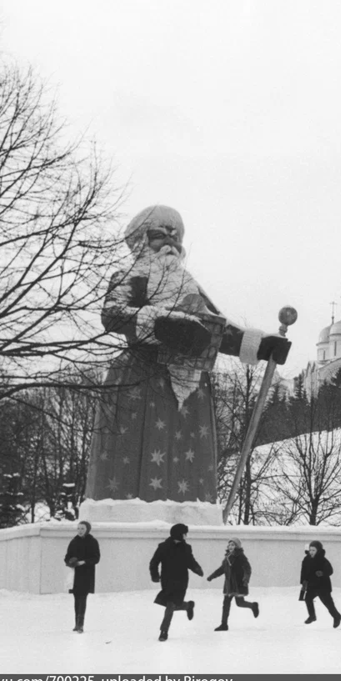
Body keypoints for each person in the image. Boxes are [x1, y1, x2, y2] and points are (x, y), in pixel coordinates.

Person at [84, 205, 290, 504]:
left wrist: (260, 345)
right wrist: (160, 323)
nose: (170, 242)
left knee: (187, 458)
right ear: (141, 239)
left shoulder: (186, 283)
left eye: (175, 235)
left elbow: (218, 328)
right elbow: (113, 314)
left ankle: (189, 513)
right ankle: (128, 508)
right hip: (141, 377)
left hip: (191, 385)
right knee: (134, 449)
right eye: (159, 234)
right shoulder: (131, 276)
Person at [149, 523, 203, 642]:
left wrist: (197, 569)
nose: (186, 536)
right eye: (184, 533)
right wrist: (154, 575)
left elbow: (190, 561)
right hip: (167, 580)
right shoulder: (163, 547)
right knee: (169, 603)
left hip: (181, 581)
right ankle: (188, 606)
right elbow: (154, 562)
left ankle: (164, 631)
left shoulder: (186, 548)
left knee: (170, 604)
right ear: (178, 534)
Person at [207, 538, 259, 631]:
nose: (230, 546)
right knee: (226, 604)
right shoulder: (227, 557)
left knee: (240, 603)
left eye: (233, 545)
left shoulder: (241, 556)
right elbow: (222, 569)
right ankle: (224, 625)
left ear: (237, 546)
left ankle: (253, 606)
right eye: (229, 545)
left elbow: (248, 569)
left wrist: (246, 579)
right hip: (229, 584)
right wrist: (212, 576)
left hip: (238, 584)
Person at [64, 521, 100, 633]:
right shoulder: (73, 542)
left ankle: (81, 624)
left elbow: (96, 558)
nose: (80, 530)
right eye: (78, 528)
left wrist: (84, 562)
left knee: (83, 597)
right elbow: (67, 557)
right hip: (75, 574)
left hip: (87, 573)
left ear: (87, 529)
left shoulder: (92, 542)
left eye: (82, 528)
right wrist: (70, 562)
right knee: (76, 597)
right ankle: (76, 623)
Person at [303, 540, 341, 628]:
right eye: (310, 550)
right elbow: (304, 572)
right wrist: (304, 582)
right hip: (312, 586)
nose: (311, 552)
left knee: (328, 603)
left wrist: (322, 573)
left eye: (313, 550)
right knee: (308, 598)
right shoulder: (306, 559)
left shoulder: (323, 560)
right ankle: (312, 616)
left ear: (318, 551)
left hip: (322, 586)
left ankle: (337, 616)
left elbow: (330, 571)